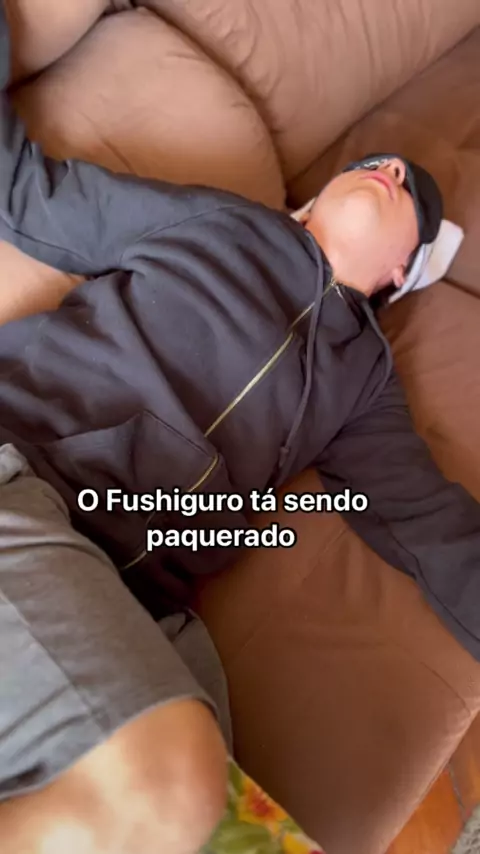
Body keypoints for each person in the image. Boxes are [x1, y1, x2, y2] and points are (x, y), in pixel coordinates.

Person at [0, 1, 480, 850]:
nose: (387, 171)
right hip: (23, 480)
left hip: (134, 606)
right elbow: (25, 193)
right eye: (373, 165)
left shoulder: (364, 385)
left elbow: (429, 524)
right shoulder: (213, 222)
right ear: (310, 205)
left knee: (225, 822)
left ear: (400, 273)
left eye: (407, 186)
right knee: (169, 788)